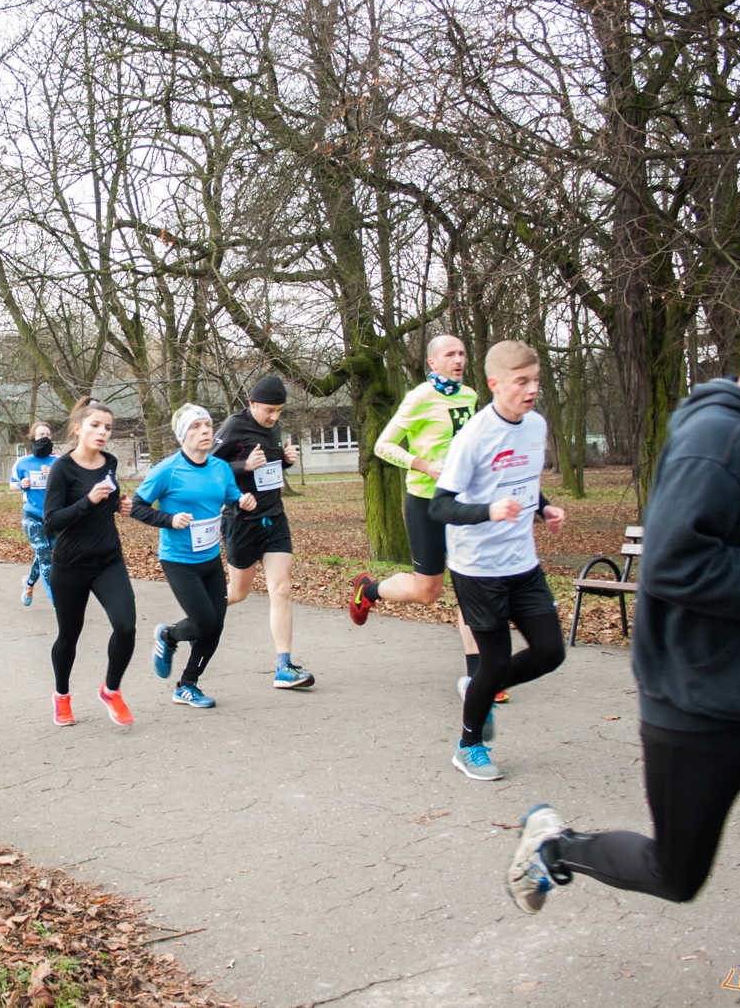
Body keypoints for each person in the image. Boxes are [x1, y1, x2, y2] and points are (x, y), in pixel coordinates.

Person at [503, 278, 740, 1005]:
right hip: (700, 704)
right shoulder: (717, 440)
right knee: (677, 872)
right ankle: (553, 847)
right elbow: (672, 568)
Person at [427, 340, 566, 782]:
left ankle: (480, 691)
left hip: (522, 562)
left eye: (535, 381)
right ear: (494, 384)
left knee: (549, 652)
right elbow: (441, 506)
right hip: (477, 567)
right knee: (496, 660)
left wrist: (544, 507)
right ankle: (468, 746)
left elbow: (521, 478)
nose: (530, 390)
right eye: (521, 382)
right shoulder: (474, 437)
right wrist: (488, 511)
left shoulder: (535, 426)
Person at [350, 335, 495, 698]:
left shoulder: (469, 396)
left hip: (462, 504)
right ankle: (368, 591)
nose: (459, 359)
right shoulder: (418, 398)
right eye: (450, 354)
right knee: (427, 591)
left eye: (462, 353)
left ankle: (480, 678)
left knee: (471, 586)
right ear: (432, 363)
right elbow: (383, 445)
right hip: (426, 502)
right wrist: (424, 465)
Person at [133, 404, 256, 708]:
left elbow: (230, 497)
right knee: (204, 621)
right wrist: (169, 520)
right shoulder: (167, 470)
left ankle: (187, 685)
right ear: (182, 435)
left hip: (210, 559)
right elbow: (137, 506)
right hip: (179, 561)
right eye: (196, 427)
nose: (204, 431)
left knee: (215, 624)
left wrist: (244, 501)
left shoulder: (220, 468)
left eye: (207, 425)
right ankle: (169, 636)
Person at [212, 376, 315, 689]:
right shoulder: (232, 426)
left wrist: (283, 461)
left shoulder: (273, 426)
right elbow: (205, 468)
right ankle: (189, 621)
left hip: (274, 517)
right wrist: (243, 466)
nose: (274, 417)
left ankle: (283, 667)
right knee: (237, 593)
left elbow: (267, 469)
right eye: (269, 410)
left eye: (279, 411)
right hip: (241, 521)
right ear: (252, 403)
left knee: (281, 588)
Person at [42, 397, 137, 727]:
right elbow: (51, 521)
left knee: (126, 626)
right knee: (69, 635)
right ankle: (62, 696)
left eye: (108, 428)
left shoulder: (109, 462)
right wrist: (88, 500)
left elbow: (105, 504)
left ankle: (111, 690)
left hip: (108, 560)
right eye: (95, 426)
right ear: (78, 428)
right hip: (70, 565)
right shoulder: (62, 468)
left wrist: (119, 506)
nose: (102, 433)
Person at [10, 422, 57, 606]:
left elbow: (70, 485)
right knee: (46, 559)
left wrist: (54, 474)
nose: (44, 437)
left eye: (48, 434)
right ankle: (57, 602)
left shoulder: (59, 461)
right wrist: (22, 484)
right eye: (41, 435)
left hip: (54, 517)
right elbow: (12, 484)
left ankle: (29, 583)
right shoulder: (23, 462)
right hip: (32, 515)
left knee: (44, 554)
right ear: (33, 438)